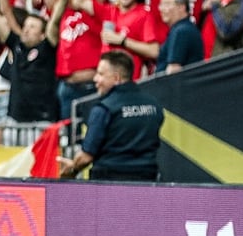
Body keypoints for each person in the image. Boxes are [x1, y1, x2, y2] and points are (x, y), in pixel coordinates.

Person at [58, 51, 164, 181]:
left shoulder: (104, 109)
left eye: (101, 74)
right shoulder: (153, 105)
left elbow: (86, 157)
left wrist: (72, 169)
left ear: (117, 78)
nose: (95, 79)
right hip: (147, 181)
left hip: (109, 184)